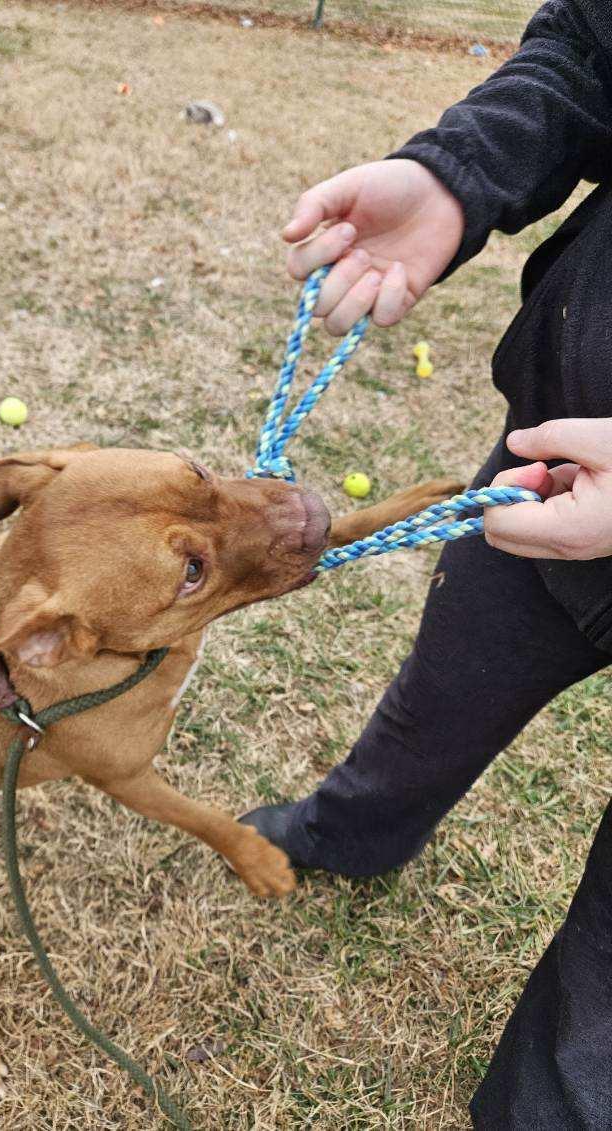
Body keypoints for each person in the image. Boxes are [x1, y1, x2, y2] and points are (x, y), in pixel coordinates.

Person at [240, 2, 612, 1126]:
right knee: (438, 697)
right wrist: (457, 174)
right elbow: (589, 46)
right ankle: (347, 836)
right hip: (549, 466)